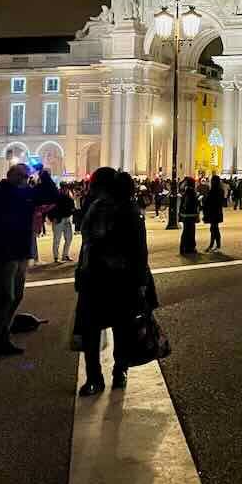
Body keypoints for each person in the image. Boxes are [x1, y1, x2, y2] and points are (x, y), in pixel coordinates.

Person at [73, 169, 157, 396]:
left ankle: (120, 369)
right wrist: (81, 273)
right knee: (90, 329)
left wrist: (141, 281)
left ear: (105, 186)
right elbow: (87, 245)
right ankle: (94, 377)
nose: (90, 187)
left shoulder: (129, 210)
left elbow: (140, 249)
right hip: (94, 277)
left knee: (122, 327)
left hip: (121, 278)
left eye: (94, 184)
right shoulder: (95, 207)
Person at [0, 164, 58, 357]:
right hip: (5, 254)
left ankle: (2, 338)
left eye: (28, 176)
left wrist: (43, 173)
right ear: (13, 176)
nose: (27, 180)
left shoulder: (26, 193)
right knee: (5, 298)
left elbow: (51, 194)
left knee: (16, 296)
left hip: (21, 252)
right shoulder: (1, 193)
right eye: (24, 176)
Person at [48, 182, 76, 263]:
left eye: (66, 188)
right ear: (61, 188)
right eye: (64, 188)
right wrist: (53, 218)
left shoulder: (68, 196)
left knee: (69, 237)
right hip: (58, 219)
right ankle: (56, 257)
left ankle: (65, 255)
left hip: (67, 219)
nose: (65, 189)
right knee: (57, 239)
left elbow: (72, 207)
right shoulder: (56, 196)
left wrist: (72, 211)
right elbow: (51, 208)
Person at [201, 174, 226, 252]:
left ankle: (215, 245)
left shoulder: (213, 191)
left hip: (213, 212)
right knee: (214, 228)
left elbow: (209, 201)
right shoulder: (220, 190)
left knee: (214, 229)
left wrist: (204, 203)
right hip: (217, 212)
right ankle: (214, 245)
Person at [177, 178, 200, 255]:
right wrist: (198, 200)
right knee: (190, 232)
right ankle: (189, 248)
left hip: (185, 216)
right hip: (190, 216)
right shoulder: (191, 192)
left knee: (186, 231)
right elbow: (191, 204)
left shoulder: (185, 192)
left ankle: (183, 247)